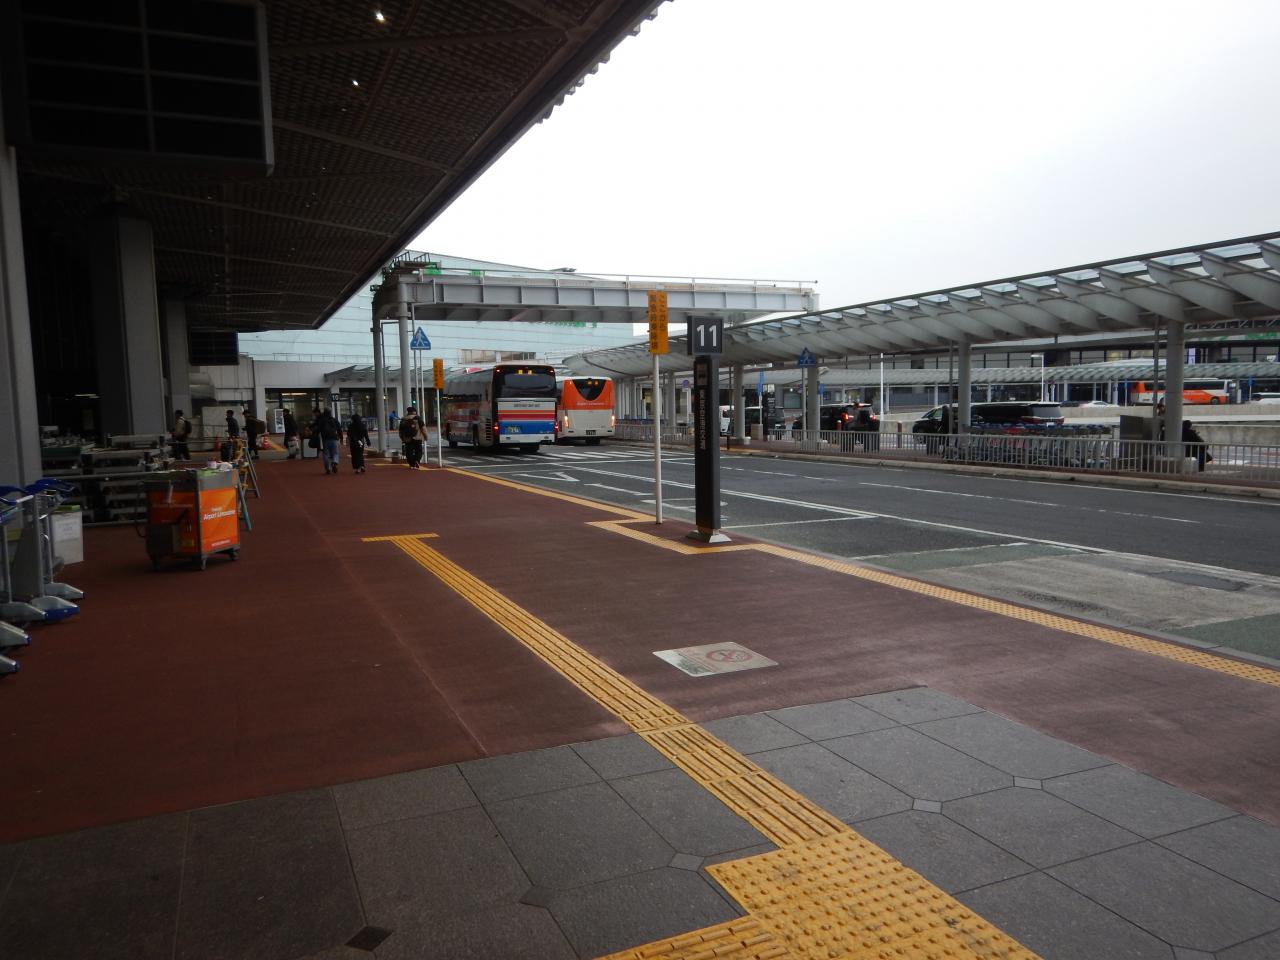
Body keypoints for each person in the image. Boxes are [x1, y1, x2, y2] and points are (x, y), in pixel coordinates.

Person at [314, 406, 343, 474]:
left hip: (325, 439)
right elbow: (339, 429)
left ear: (324, 412)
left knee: (325, 454)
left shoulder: (322, 420)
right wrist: (341, 437)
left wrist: (315, 436)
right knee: (335, 452)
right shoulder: (334, 420)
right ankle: (334, 462)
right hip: (334, 438)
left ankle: (328, 468)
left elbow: (318, 430)